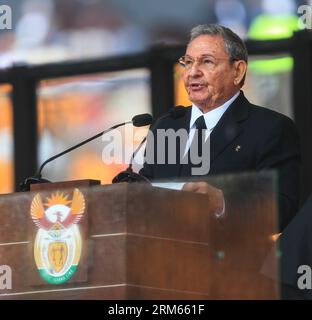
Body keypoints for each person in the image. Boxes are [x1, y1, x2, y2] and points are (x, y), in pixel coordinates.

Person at [139, 24, 300, 231]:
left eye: (207, 61)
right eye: (187, 62)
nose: (193, 72)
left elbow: (283, 209)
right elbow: (143, 192)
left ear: (238, 70)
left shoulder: (271, 128)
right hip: (161, 257)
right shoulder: (166, 125)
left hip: (231, 259)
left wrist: (223, 204)